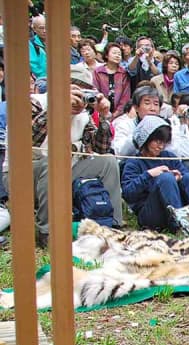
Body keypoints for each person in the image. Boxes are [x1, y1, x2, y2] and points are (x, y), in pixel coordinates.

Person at [5, 63, 124, 247]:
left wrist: (103, 117)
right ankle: (48, 232)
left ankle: (111, 225)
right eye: (76, 90)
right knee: (50, 163)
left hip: (62, 173)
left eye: (86, 94)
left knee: (107, 161)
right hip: (23, 173)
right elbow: (29, 141)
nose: (80, 98)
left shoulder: (84, 116)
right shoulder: (34, 101)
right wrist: (58, 106)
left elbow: (101, 148)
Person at [122, 115, 189, 230]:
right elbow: (127, 193)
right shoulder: (134, 162)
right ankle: (179, 226)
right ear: (146, 139)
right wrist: (149, 175)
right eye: (157, 142)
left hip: (175, 206)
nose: (161, 146)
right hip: (150, 213)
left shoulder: (169, 157)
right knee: (166, 178)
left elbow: (185, 175)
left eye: (164, 142)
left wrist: (179, 177)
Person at [93, 42, 131, 119]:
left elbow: (125, 96)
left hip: (119, 115)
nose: (117, 55)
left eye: (119, 54)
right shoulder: (98, 72)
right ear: (106, 55)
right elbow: (95, 90)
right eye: (114, 53)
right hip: (100, 112)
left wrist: (116, 114)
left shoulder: (123, 73)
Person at [29, 15, 47, 79]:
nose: (45, 31)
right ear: (34, 29)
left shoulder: (54, 42)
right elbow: (33, 65)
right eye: (41, 28)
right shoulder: (31, 43)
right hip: (41, 79)